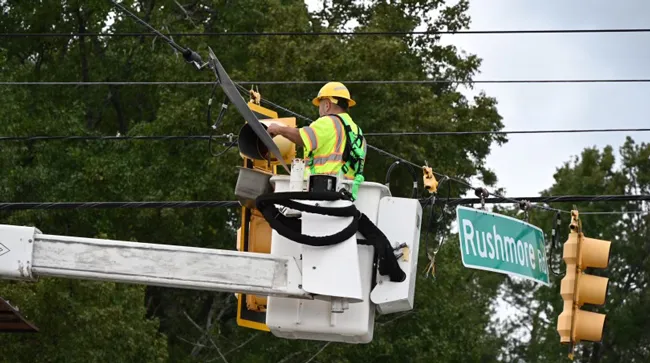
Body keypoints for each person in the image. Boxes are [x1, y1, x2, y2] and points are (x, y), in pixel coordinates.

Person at [266, 81, 367, 199]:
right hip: (347, 196)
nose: (319, 110)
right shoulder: (358, 132)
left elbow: (302, 137)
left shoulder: (329, 122)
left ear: (327, 105)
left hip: (322, 193)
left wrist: (279, 129)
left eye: (320, 105)